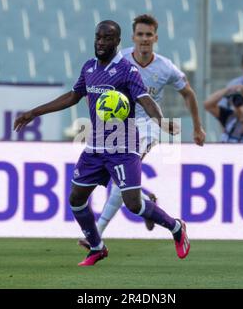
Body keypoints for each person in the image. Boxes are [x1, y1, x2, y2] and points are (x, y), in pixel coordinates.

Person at [14, 20, 190, 266]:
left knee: (133, 204)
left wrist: (160, 121)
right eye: (98, 37)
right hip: (96, 146)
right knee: (76, 199)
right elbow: (73, 97)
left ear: (117, 42)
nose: (100, 42)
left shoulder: (127, 71)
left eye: (107, 38)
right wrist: (34, 112)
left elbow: (146, 100)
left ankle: (175, 227)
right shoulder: (89, 68)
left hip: (123, 146)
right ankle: (97, 247)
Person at [77, 14, 205, 251]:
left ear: (155, 37)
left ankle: (99, 231)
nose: (144, 39)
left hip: (146, 127)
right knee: (121, 182)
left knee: (120, 183)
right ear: (133, 37)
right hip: (115, 127)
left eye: (149, 35)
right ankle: (147, 203)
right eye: (140, 34)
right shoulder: (119, 59)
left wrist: (197, 127)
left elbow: (188, 93)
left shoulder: (165, 67)